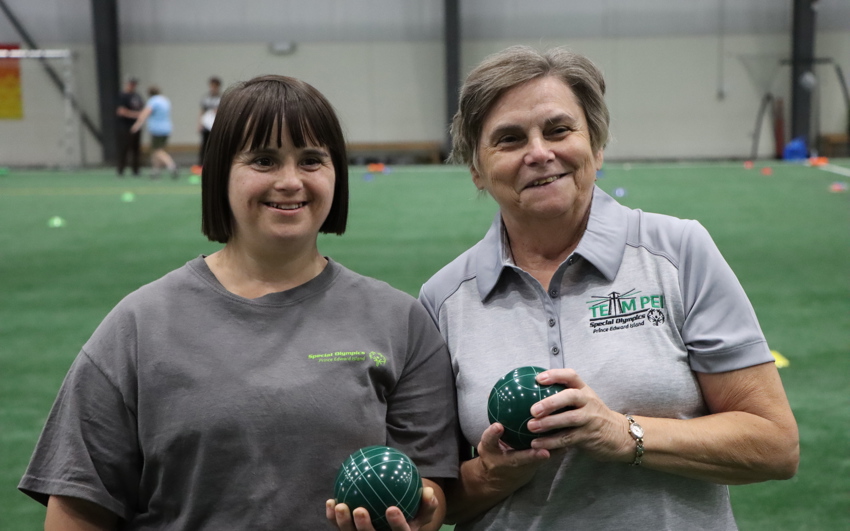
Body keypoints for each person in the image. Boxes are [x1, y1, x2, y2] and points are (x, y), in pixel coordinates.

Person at [19, 75, 458, 530]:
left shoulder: (400, 321)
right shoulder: (136, 326)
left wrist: (422, 514)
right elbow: (78, 509)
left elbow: (429, 487)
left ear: (336, 174)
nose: (290, 181)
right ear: (219, 172)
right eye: (264, 160)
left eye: (311, 160)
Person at [418, 45, 799, 530]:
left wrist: (624, 434)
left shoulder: (679, 253)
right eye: (509, 139)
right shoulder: (444, 298)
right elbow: (437, 497)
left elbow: (775, 445)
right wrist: (492, 474)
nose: (539, 153)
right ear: (476, 168)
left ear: (595, 145)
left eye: (558, 130)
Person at [130, 85, 178, 179]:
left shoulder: (153, 101)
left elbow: (145, 113)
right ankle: (155, 171)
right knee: (155, 151)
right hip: (167, 128)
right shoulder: (165, 100)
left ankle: (172, 166)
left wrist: (137, 125)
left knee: (158, 151)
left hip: (157, 129)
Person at [115, 76, 143, 177]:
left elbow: (142, 110)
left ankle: (136, 170)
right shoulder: (122, 96)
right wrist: (136, 114)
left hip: (136, 126)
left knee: (136, 149)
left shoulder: (137, 96)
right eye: (131, 83)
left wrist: (139, 118)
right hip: (125, 127)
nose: (132, 85)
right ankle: (121, 170)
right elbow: (121, 111)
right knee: (124, 149)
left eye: (134, 83)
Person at [198, 76, 222, 166]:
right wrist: (199, 124)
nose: (212, 88)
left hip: (215, 126)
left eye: (214, 86)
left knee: (215, 145)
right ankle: (201, 165)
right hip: (206, 126)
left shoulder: (221, 98)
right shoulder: (205, 98)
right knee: (204, 146)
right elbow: (201, 111)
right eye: (211, 86)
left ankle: (215, 164)